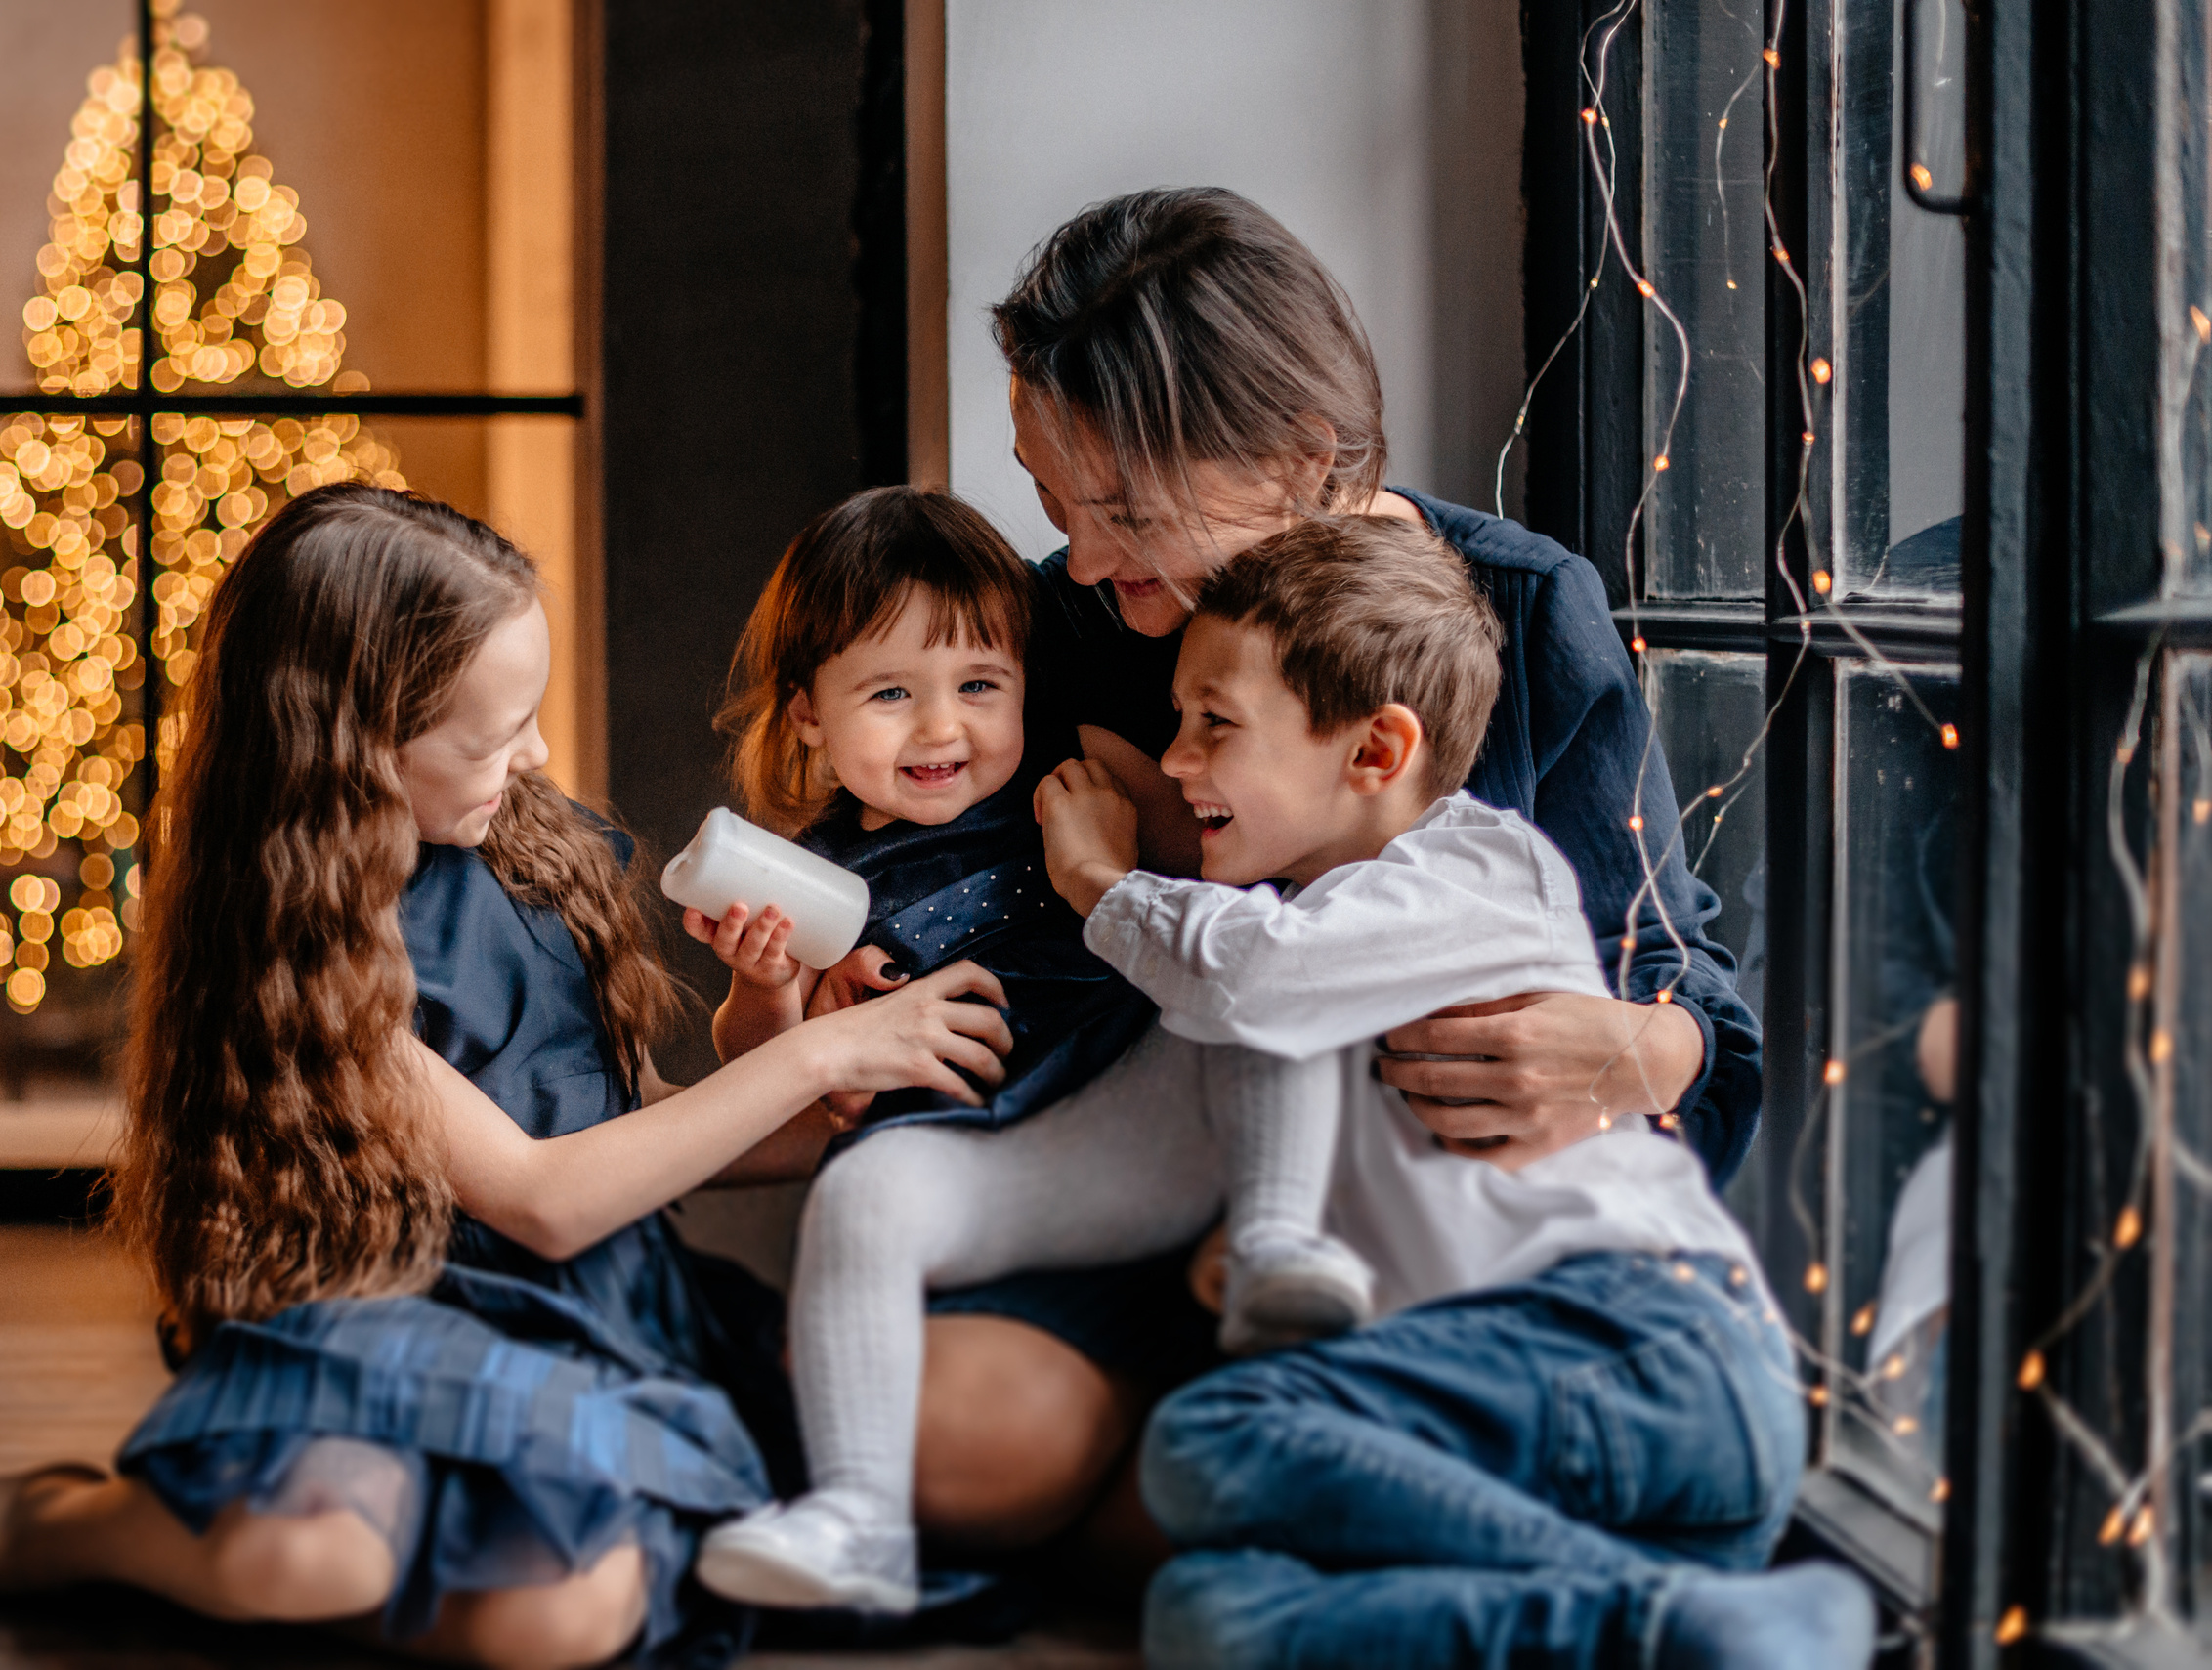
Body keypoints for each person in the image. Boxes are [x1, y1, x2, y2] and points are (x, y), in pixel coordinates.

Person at [0, 484, 1015, 1669]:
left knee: (563, 1621)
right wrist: (821, 1051)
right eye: (491, 734)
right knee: (303, 1562)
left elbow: (624, 1129)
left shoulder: (536, 854)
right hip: (383, 1308)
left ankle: (379, 1551)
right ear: (356, 750)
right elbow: (543, 1193)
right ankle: (58, 1526)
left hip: (582, 1316)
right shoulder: (301, 941)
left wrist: (814, 1083)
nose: (534, 752)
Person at [903, 186, 1769, 1556]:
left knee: (1201, 1498)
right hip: (1154, 1183)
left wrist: (1641, 1053)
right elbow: (926, 871)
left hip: (1449, 1234)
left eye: (1127, 504)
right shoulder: (1061, 626)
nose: (1085, 552)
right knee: (945, 1445)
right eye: (1053, 496)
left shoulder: (1524, 610)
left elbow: (1687, 992)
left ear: (1304, 454)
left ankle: (1275, 1483)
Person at [1027, 517, 1870, 1670]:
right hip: (1530, 1445)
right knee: (1211, 1611)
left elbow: (1245, 973)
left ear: (1377, 751)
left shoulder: (1471, 867)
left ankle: (1669, 1616)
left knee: (1213, 1435)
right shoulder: (1310, 922)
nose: (1174, 760)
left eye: (1211, 725)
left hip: (1649, 1349)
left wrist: (1094, 877)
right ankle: (1676, 1618)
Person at [670, 488, 1368, 1615]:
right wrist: (767, 985)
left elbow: (1230, 877)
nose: (941, 729)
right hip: (1003, 1167)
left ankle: (1277, 1240)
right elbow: (765, 1071)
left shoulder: (1080, 772)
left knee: (1248, 976)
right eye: (890, 694)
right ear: (808, 714)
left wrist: (1127, 854)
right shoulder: (815, 877)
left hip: (1145, 1109)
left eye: (978, 687)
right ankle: (860, 1516)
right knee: (862, 1194)